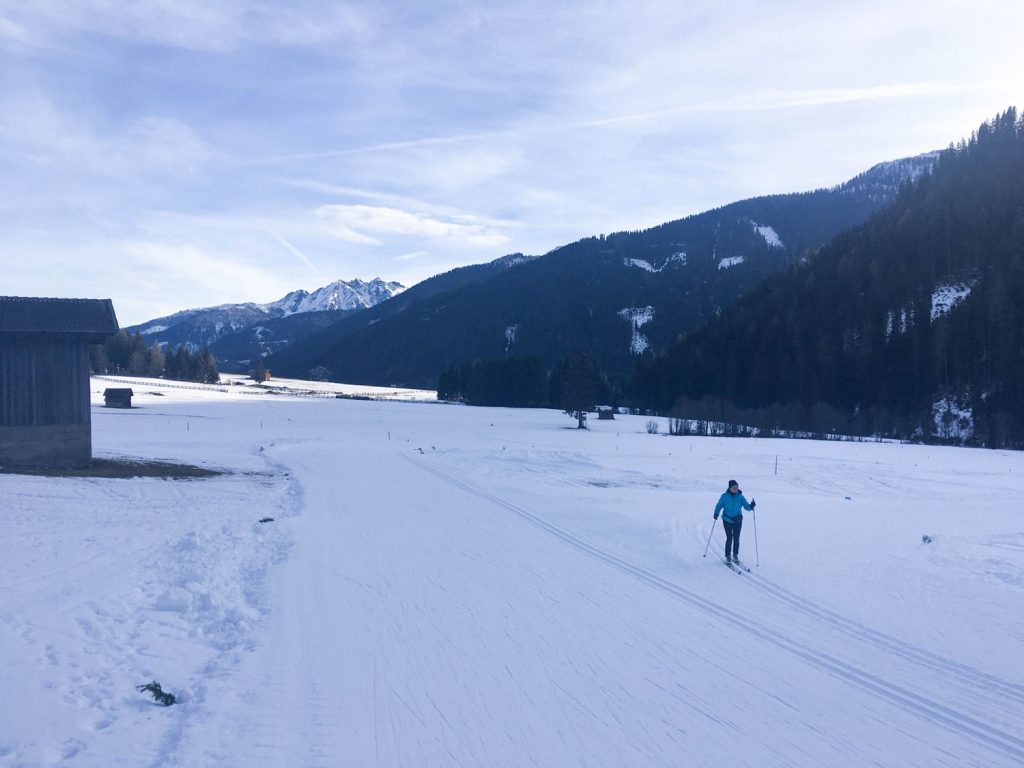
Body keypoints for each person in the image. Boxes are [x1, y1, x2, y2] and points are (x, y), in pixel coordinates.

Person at [714, 479, 755, 563]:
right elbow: (719, 505)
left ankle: (735, 554)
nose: (736, 489)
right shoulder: (724, 496)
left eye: (737, 487)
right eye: (734, 488)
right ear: (730, 488)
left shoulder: (740, 496)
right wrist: (716, 513)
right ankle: (728, 555)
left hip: (738, 520)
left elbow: (746, 506)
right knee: (729, 538)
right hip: (727, 520)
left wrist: (751, 506)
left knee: (736, 538)